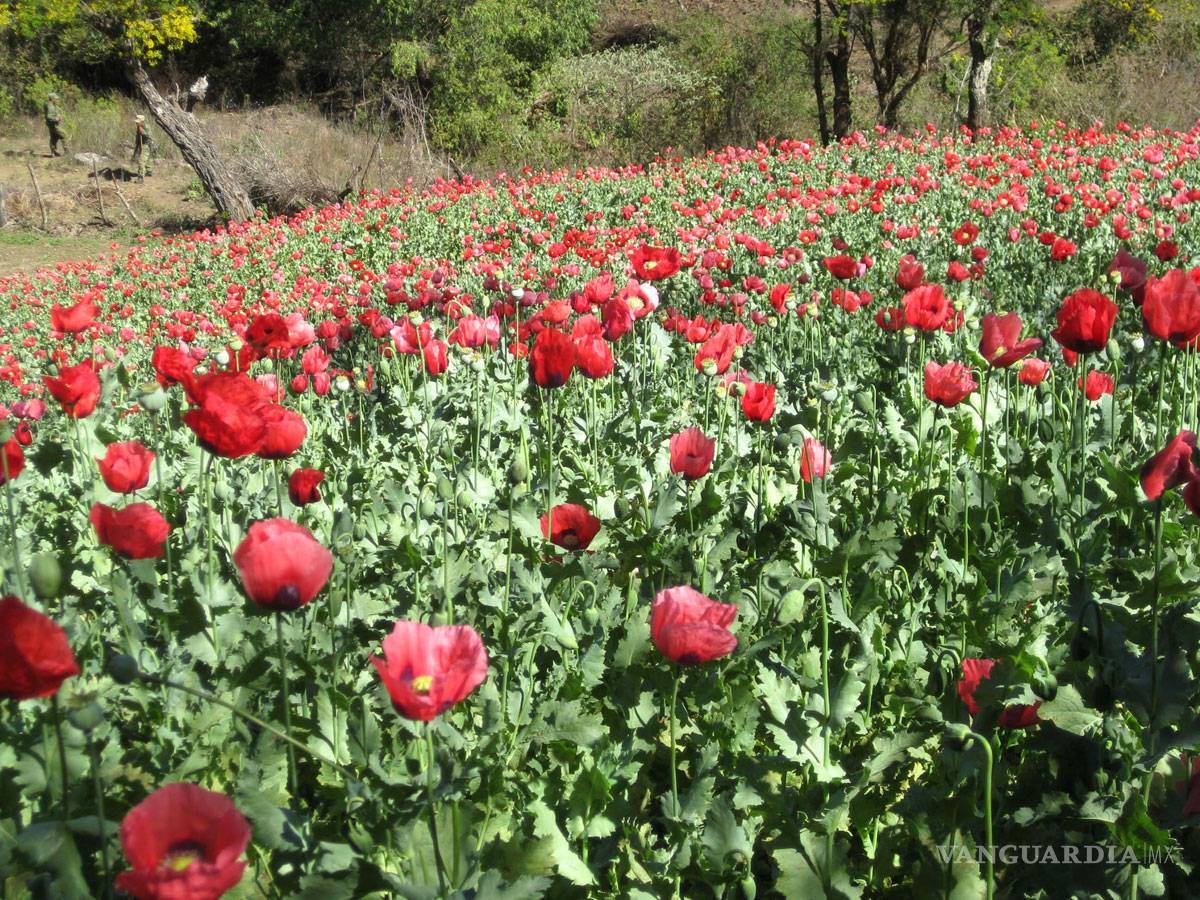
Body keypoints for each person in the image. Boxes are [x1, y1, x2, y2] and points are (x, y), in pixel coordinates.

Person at [132, 114, 154, 183]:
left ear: (142, 121)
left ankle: (140, 178)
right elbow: (138, 138)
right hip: (142, 145)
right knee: (146, 159)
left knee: (141, 161)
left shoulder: (146, 127)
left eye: (138, 122)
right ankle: (148, 171)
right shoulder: (138, 127)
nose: (136, 123)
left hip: (147, 145)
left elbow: (149, 136)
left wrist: (143, 132)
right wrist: (137, 146)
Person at [44, 92, 67, 157]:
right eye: (56, 99)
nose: (57, 100)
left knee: (54, 137)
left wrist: (60, 113)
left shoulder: (51, 105)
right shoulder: (50, 106)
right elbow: (49, 117)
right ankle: (67, 151)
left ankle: (53, 153)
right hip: (54, 125)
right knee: (64, 135)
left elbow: (57, 109)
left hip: (51, 125)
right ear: (52, 99)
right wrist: (57, 119)